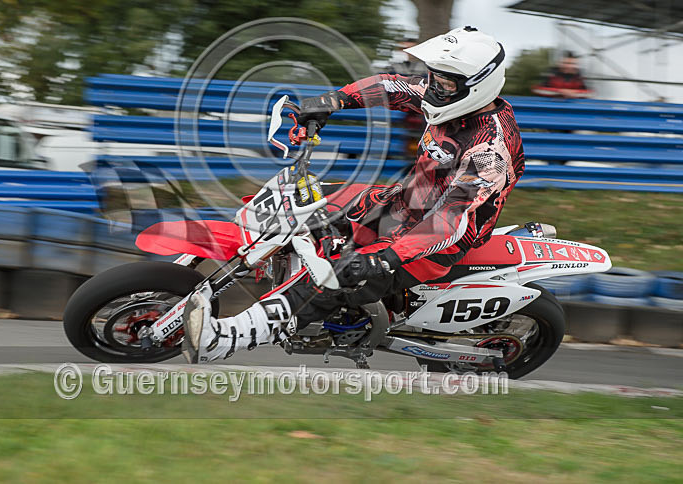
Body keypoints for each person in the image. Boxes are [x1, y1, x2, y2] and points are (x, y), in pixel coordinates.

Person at [182, 26, 525, 364]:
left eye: (445, 82)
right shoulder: (447, 95)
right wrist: (332, 101)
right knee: (311, 207)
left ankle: (228, 339)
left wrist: (386, 258)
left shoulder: (489, 150)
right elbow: (390, 86)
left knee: (342, 274)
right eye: (434, 77)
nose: (434, 87)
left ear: (478, 85)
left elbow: (448, 221)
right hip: (403, 201)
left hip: (437, 240)